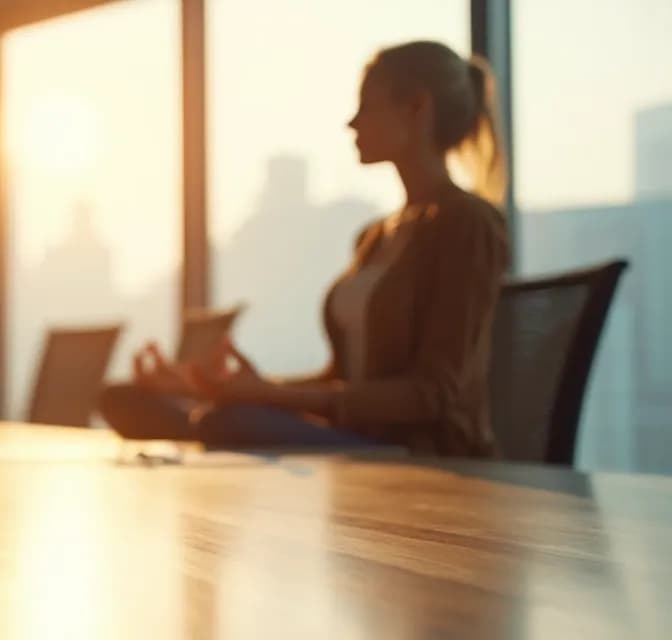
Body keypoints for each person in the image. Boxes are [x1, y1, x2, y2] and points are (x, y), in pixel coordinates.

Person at [101, 41, 509, 457]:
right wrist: (232, 387)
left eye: (367, 106)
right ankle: (197, 419)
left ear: (417, 107)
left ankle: (199, 428)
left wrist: (266, 396)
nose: (352, 122)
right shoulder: (374, 236)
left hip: (422, 450)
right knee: (124, 399)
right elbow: (340, 378)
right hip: (356, 436)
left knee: (228, 422)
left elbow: (433, 394)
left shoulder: (468, 224)